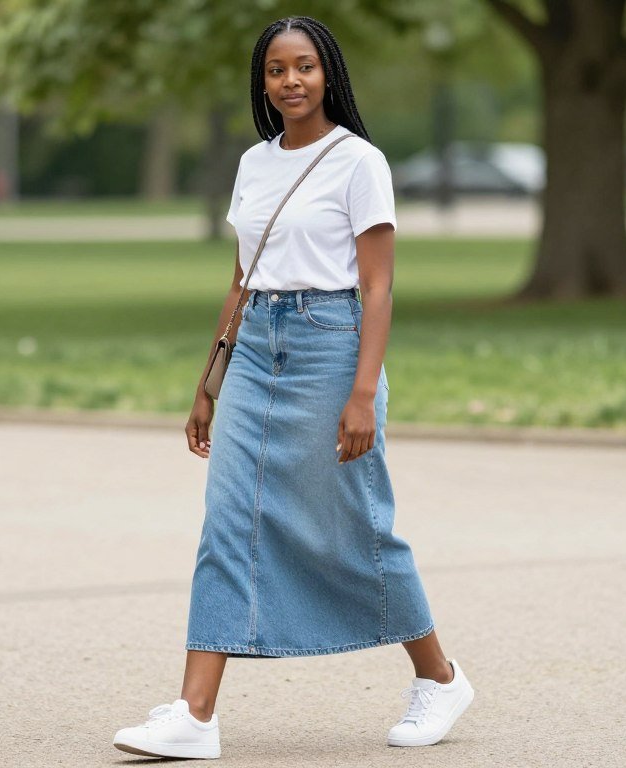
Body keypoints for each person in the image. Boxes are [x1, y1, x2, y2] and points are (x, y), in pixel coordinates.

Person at [113, 16, 473, 759]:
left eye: (304, 66)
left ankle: (439, 678)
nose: (291, 81)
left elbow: (378, 289)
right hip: (253, 353)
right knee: (227, 517)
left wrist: (362, 393)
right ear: (263, 81)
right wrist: (209, 381)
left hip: (330, 345)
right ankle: (196, 712)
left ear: (328, 72)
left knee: (353, 524)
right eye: (277, 70)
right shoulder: (254, 164)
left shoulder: (359, 161)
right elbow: (241, 279)